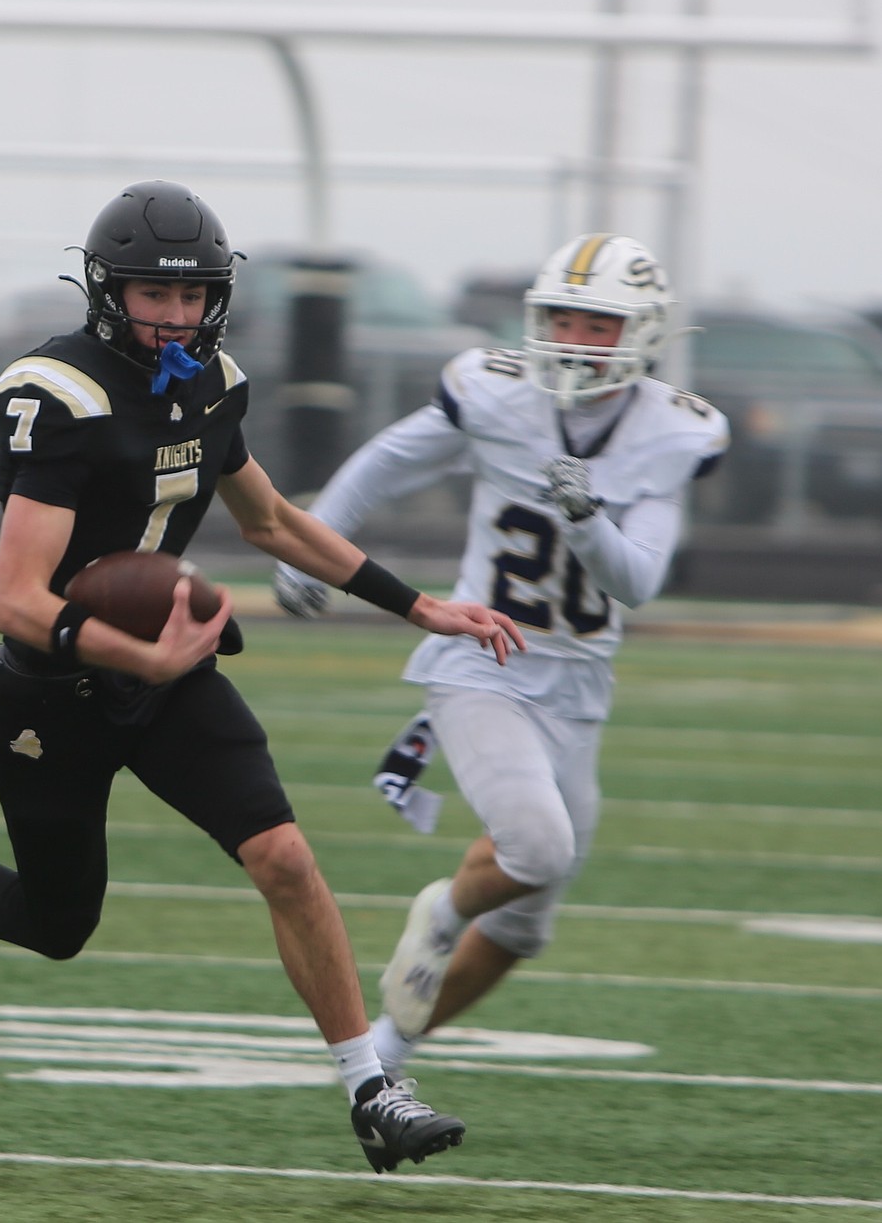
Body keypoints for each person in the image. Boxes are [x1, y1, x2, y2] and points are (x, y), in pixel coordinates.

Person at [0, 180, 526, 1174]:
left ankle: (372, 1086)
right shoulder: (58, 396)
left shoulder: (212, 381)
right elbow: (16, 600)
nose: (175, 316)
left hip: (168, 680)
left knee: (285, 859)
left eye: (192, 298)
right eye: (154, 296)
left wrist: (419, 603)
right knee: (59, 925)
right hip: (47, 694)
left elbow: (269, 519)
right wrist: (135, 652)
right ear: (109, 291)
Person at [273, 232, 729, 1077]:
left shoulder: (671, 430)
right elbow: (385, 464)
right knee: (539, 848)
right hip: (482, 658)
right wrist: (313, 545)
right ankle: (441, 910)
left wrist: (589, 520)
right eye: (561, 316)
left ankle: (381, 1056)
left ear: (640, 333)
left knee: (523, 924)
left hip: (579, 685)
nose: (572, 337)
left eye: (597, 323)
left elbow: (638, 581)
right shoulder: (497, 392)